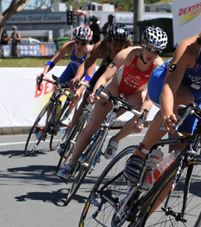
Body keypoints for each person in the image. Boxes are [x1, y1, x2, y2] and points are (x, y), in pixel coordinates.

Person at [124, 12, 201, 187]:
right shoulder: (190, 48)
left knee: (177, 163)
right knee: (184, 98)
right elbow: (168, 88)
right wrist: (167, 113)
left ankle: (137, 210)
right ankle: (140, 153)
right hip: (164, 83)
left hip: (196, 96)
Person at [57, 26, 168, 181]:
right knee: (94, 124)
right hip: (115, 87)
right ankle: (71, 163)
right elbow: (104, 77)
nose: (152, 54)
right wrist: (95, 93)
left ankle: (115, 139)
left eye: (157, 51)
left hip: (134, 94)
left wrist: (141, 121)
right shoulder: (127, 54)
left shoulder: (158, 66)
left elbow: (149, 100)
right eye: (149, 49)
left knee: (142, 114)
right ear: (143, 44)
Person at [64, 23, 132, 155]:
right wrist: (78, 77)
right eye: (115, 43)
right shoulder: (101, 46)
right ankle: (69, 136)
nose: (118, 47)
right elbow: (87, 63)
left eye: (121, 44)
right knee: (84, 103)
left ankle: (95, 144)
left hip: (117, 78)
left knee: (104, 113)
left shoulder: (129, 51)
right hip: (102, 74)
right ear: (108, 41)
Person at [36, 25, 93, 137]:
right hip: (71, 69)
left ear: (89, 42)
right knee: (55, 94)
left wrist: (80, 88)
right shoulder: (68, 46)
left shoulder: (91, 51)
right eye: (77, 42)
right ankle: (49, 124)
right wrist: (43, 73)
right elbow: (53, 61)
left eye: (83, 43)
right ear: (73, 40)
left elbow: (89, 76)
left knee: (78, 92)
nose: (79, 45)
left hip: (84, 74)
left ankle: (68, 113)